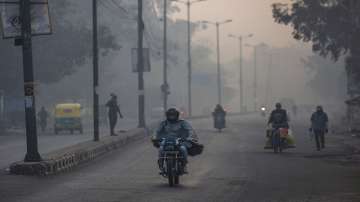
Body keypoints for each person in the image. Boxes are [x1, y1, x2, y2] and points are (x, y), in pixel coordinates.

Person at [152, 108, 196, 173]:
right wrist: (154, 137)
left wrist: (190, 137)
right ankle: (161, 166)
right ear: (167, 115)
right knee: (161, 149)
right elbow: (156, 131)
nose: (172, 117)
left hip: (179, 140)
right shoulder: (164, 123)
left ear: (177, 115)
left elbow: (190, 130)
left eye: (173, 115)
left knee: (183, 149)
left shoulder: (182, 122)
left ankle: (184, 165)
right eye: (170, 115)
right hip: (166, 140)